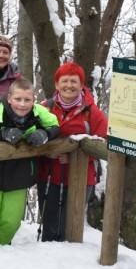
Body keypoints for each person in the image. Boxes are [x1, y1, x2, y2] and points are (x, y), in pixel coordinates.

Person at [0, 78, 59, 249]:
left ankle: (3, 250)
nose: (22, 104)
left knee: (11, 222)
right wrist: (3, 134)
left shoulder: (38, 112)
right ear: (9, 98)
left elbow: (54, 125)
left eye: (27, 100)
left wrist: (44, 134)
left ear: (33, 100)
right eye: (18, 99)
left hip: (19, 176)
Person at [37, 62, 108, 242]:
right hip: (49, 174)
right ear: (56, 84)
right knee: (49, 221)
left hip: (80, 176)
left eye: (74, 81)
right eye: (65, 81)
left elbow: (103, 143)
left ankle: (69, 264)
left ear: (81, 84)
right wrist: (46, 151)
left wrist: (72, 157)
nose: (69, 85)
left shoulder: (92, 112)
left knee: (70, 224)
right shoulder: (45, 107)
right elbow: (32, 135)